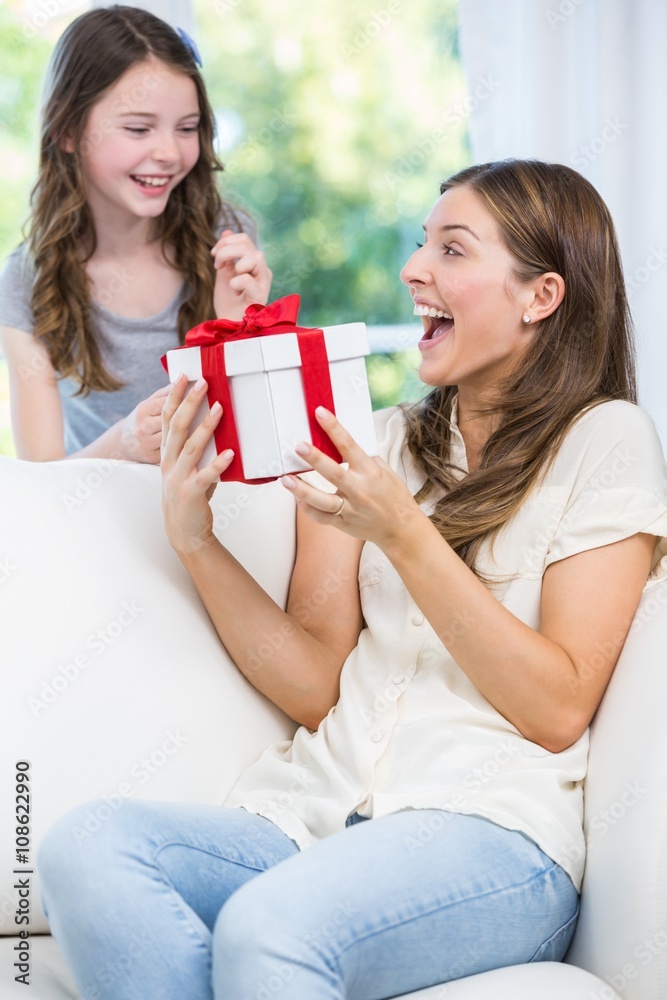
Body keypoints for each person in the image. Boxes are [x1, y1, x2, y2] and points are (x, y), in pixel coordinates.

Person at [38, 159, 667, 999]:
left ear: (539, 296)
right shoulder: (375, 443)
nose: (413, 271)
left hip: (486, 835)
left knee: (270, 928)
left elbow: (555, 709)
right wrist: (195, 542)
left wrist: (404, 533)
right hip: (309, 821)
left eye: (451, 250)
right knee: (88, 846)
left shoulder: (605, 441)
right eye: (419, 247)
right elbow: (314, 685)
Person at [0, 5, 271, 463]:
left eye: (187, 128)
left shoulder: (225, 240)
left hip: (219, 515)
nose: (168, 151)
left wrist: (240, 327)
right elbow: (40, 479)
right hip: (96, 521)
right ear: (68, 131)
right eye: (138, 128)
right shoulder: (28, 280)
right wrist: (123, 444)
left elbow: (263, 439)